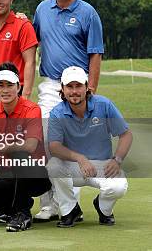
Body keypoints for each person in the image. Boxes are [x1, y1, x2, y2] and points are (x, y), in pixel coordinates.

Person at [33, 0, 104, 221]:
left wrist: (91, 89)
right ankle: (49, 204)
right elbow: (31, 39)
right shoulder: (42, 10)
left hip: (78, 87)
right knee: (45, 143)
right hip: (52, 86)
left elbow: (95, 53)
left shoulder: (88, 13)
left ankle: (68, 205)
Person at [0, 62, 51, 232]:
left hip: (35, 175)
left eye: (10, 85)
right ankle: (18, 210)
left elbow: (30, 146)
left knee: (19, 153)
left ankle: (21, 214)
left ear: (18, 87)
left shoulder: (32, 109)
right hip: (7, 174)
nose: (5, 90)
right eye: (1, 85)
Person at [46, 66, 130, 227]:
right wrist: (80, 158)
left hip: (102, 166)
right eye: (69, 86)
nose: (74, 91)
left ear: (87, 87)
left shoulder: (104, 105)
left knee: (118, 187)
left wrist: (117, 160)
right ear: (62, 90)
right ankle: (70, 210)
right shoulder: (57, 113)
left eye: (78, 86)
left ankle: (103, 209)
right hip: (74, 167)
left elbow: (126, 134)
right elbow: (54, 147)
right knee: (54, 165)